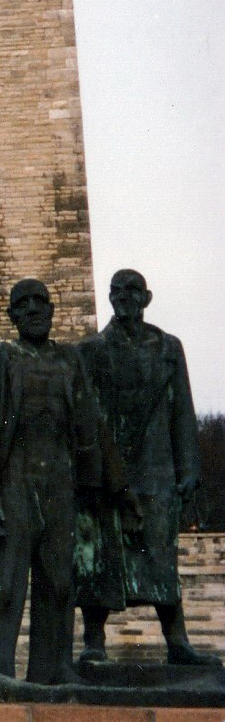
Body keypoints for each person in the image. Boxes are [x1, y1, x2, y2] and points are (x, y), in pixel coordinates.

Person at [75, 269, 220, 667]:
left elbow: (182, 412)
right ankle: (94, 640)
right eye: (116, 291)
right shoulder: (90, 351)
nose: (124, 297)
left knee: (160, 556)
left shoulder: (169, 348)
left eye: (132, 290)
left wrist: (188, 466)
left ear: (147, 297)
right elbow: (85, 419)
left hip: (157, 470)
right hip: (110, 470)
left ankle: (177, 640)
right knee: (101, 556)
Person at [0, 278, 103, 684]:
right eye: (22, 304)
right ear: (12, 315)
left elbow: (88, 426)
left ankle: (53, 668)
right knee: (8, 580)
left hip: (61, 480)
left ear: (51, 309)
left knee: (60, 580)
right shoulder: (2, 356)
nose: (31, 309)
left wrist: (95, 489)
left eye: (39, 302)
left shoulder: (71, 360)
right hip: (16, 478)